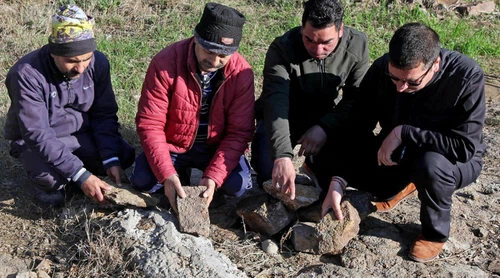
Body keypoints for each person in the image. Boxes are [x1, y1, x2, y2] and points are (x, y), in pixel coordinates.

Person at [322, 22, 486, 263]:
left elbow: (465, 148)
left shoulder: (467, 77)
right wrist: (339, 178)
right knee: (326, 154)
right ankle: (405, 184)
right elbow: (358, 125)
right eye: (394, 78)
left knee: (430, 165)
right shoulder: (381, 69)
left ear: (435, 65)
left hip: (451, 160)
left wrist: (404, 132)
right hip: (399, 152)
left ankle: (434, 234)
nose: (400, 88)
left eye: (412, 82)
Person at [4, 5, 135, 206]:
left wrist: (110, 158)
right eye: (72, 61)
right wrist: (81, 176)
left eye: (86, 59)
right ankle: (60, 181)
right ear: (53, 54)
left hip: (81, 135)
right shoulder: (26, 75)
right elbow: (37, 134)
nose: (81, 68)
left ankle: (75, 174)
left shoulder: (98, 63)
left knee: (123, 155)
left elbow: (104, 114)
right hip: (40, 140)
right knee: (49, 178)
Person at [130, 3, 255, 211]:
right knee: (143, 181)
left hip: (216, 147)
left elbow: (239, 132)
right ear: (196, 38)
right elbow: (150, 123)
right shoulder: (165, 63)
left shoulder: (242, 73)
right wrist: (167, 175)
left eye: (223, 56)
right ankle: (180, 175)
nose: (214, 61)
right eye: (208, 51)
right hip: (173, 144)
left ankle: (205, 181)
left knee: (238, 186)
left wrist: (213, 176)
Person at [251, 0, 369, 199]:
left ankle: (314, 165)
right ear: (302, 28)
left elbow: (357, 99)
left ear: (340, 30)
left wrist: (325, 127)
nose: (317, 49)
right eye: (309, 40)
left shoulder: (357, 45)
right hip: (285, 115)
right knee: (267, 172)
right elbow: (275, 102)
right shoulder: (282, 48)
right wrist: (282, 155)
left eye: (326, 43)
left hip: (325, 116)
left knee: (333, 179)